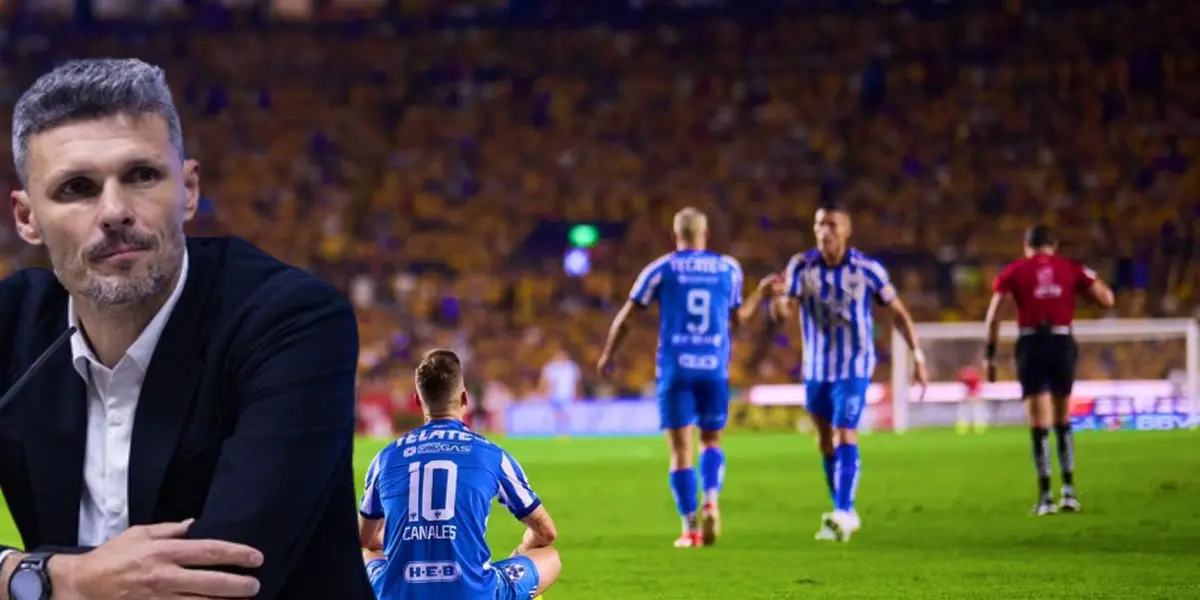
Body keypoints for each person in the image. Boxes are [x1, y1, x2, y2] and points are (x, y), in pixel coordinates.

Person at [0, 59, 373, 599]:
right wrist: (60, 579)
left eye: (142, 175)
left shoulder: (290, 320)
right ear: (27, 217)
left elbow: (222, 583)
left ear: (190, 189)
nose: (114, 211)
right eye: (77, 188)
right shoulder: (11, 324)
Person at [596, 207, 778, 548]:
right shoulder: (728, 268)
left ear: (676, 236)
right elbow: (738, 321)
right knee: (712, 441)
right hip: (713, 368)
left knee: (681, 453)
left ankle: (690, 528)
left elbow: (629, 314)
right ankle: (711, 499)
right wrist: (761, 294)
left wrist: (609, 354)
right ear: (705, 234)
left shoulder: (662, 268)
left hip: (676, 369)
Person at [767, 202, 928, 543]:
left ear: (847, 230)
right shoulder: (801, 265)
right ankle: (844, 510)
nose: (825, 231)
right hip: (815, 369)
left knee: (844, 432)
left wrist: (917, 355)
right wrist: (779, 304)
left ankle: (843, 509)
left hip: (854, 366)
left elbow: (898, 311)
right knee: (825, 440)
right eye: (820, 225)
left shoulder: (867, 269)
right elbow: (785, 309)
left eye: (832, 225)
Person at [358, 349, 561, 600]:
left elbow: (367, 538)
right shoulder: (492, 455)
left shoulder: (385, 458)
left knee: (368, 555)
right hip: (473, 593)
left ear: (418, 402)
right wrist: (522, 550)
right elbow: (547, 532)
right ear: (465, 398)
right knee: (549, 557)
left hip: (400, 593)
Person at [984, 225, 1114, 516]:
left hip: (1032, 342)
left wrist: (989, 355)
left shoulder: (1014, 271)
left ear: (1027, 245)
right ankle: (1069, 491)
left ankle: (1045, 497)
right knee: (1062, 416)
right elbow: (1106, 300)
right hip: (1061, 340)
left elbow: (994, 316)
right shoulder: (1070, 267)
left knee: (1038, 422)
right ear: (1053, 245)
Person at [539, 348, 581, 438]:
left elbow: (576, 383)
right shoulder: (551, 367)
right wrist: (544, 392)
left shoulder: (571, 367)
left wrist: (577, 393)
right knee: (556, 415)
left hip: (568, 395)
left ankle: (565, 433)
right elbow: (544, 381)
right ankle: (557, 433)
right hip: (554, 395)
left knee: (566, 414)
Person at [956, 364, 988, 434]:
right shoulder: (970, 380)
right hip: (971, 398)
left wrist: (972, 396)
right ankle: (973, 428)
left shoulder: (974, 380)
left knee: (976, 413)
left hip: (974, 398)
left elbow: (976, 390)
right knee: (969, 413)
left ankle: (977, 428)